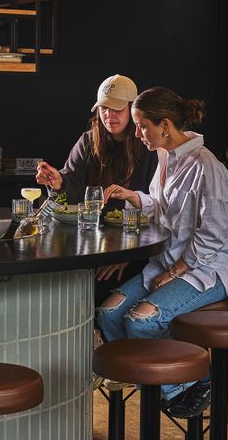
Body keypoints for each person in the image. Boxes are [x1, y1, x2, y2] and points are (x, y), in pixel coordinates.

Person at [96, 86, 228, 418]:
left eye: (142, 126)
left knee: (141, 322)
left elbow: (212, 235)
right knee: (108, 313)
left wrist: (175, 271)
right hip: (168, 263)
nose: (137, 134)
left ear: (164, 125)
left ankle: (194, 382)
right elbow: (162, 209)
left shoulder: (206, 166)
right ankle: (155, 383)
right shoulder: (166, 159)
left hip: (206, 270)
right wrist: (135, 198)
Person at [36, 74, 158, 296]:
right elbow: (71, 195)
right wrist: (58, 182)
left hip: (138, 247)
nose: (109, 115)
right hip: (92, 243)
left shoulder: (149, 146)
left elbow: (159, 209)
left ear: (133, 109)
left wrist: (127, 255)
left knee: (102, 287)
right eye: (103, 108)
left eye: (117, 108)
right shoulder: (88, 141)